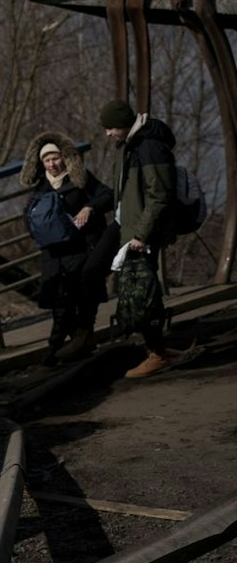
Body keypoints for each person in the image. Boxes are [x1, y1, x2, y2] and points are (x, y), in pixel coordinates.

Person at [100, 99, 191, 377]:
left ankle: (157, 354)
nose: (108, 133)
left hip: (141, 236)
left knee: (140, 297)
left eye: (111, 127)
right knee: (141, 294)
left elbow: (159, 194)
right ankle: (160, 350)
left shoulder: (148, 146)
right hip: (132, 231)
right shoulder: (132, 146)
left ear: (124, 124)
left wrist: (141, 234)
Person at [20, 130, 117, 364]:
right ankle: (72, 341)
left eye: (55, 158)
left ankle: (73, 340)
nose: (52, 164)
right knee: (59, 299)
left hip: (81, 248)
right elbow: (29, 216)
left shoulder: (80, 179)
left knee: (81, 293)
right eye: (47, 160)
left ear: (64, 157)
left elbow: (108, 195)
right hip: (54, 253)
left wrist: (89, 208)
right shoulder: (41, 187)